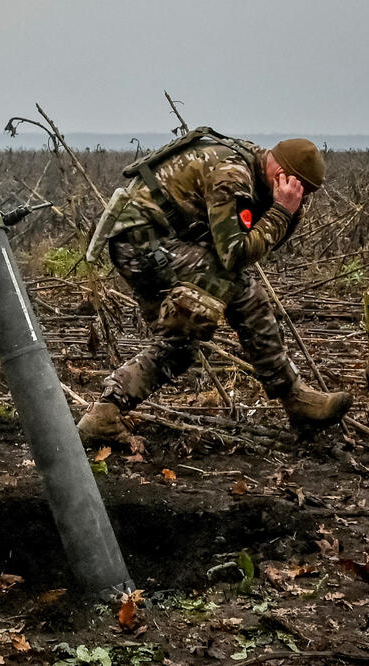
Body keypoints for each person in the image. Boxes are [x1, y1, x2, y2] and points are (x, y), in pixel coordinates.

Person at [78, 129, 352, 446]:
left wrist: (287, 212)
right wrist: (281, 211)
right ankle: (295, 398)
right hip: (141, 242)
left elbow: (255, 244)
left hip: (158, 240)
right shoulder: (233, 175)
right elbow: (235, 254)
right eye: (300, 190)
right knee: (244, 291)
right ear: (281, 174)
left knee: (180, 348)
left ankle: (103, 415)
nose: (300, 198)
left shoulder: (255, 166)